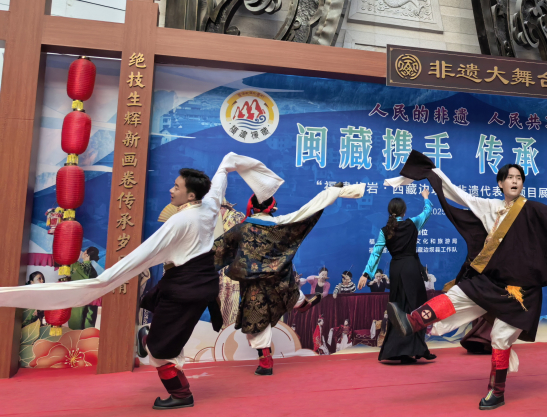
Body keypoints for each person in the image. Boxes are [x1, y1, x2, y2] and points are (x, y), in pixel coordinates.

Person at [0, 153, 282, 410]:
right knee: (161, 324)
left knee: (158, 351)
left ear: (190, 194)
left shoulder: (180, 221)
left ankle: (181, 394)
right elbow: (222, 175)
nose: (171, 190)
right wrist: (229, 165)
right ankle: (164, 352)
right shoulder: (209, 205)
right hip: (199, 285)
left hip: (184, 290)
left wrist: (107, 278)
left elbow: (143, 254)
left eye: (177, 187)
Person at [384, 151, 547, 410]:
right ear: (500, 183)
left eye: (519, 178)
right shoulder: (490, 207)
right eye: (510, 177)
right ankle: (413, 322)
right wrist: (429, 171)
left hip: (521, 293)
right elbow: (458, 194)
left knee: (500, 338)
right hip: (492, 283)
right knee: (458, 294)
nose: (515, 181)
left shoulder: (534, 210)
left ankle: (497, 392)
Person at [213, 182, 364, 375]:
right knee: (289, 292)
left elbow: (216, 251)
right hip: (279, 281)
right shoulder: (281, 224)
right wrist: (334, 191)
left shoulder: (241, 229)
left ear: (252, 207)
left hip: (254, 285)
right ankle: (302, 303)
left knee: (256, 318)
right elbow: (309, 209)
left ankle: (265, 363)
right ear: (272, 208)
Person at [358, 190, 436, 363]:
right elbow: (428, 211)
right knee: (416, 308)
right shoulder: (412, 223)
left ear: (389, 211)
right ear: (404, 211)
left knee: (398, 310)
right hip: (412, 269)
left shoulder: (385, 231)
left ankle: (400, 351)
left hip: (396, 270)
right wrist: (425, 197)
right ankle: (416, 349)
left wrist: (366, 274)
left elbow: (376, 254)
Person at [68, 247, 100, 330]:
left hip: (77, 301)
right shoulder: (93, 271)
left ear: (86, 254)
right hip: (91, 302)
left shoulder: (76, 266)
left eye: (84, 251)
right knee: (88, 329)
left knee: (76, 328)